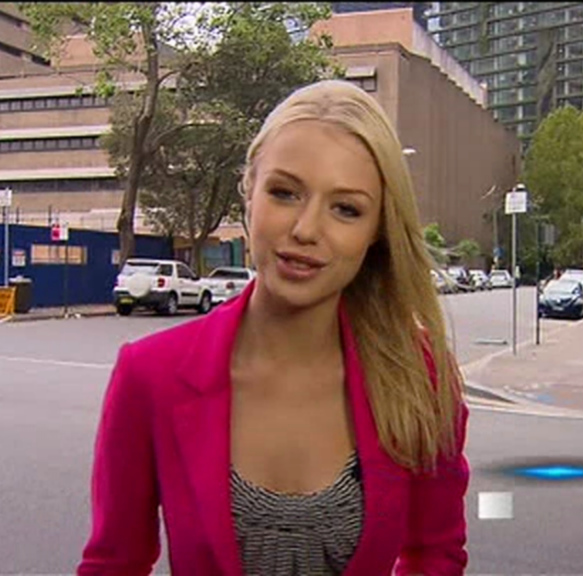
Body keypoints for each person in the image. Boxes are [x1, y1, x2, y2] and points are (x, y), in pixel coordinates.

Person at [77, 80, 470, 576]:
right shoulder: (150, 374)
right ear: (249, 195)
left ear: (376, 232)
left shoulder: (420, 377)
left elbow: (435, 555)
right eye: (284, 193)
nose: (306, 229)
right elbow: (114, 563)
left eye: (346, 209)